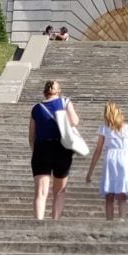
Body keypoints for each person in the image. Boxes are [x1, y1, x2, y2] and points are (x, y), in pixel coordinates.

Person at [29, 79, 79, 220]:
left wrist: (36, 151)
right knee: (59, 191)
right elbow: (74, 121)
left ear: (45, 92)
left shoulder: (36, 108)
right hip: (61, 148)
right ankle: (55, 222)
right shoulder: (65, 102)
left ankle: (38, 222)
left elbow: (31, 136)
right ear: (59, 91)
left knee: (41, 191)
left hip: (41, 149)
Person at [86, 101, 128, 221]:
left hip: (110, 157)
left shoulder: (104, 129)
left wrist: (90, 171)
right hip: (124, 157)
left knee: (109, 193)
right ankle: (122, 218)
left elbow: (98, 150)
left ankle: (109, 220)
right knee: (122, 192)